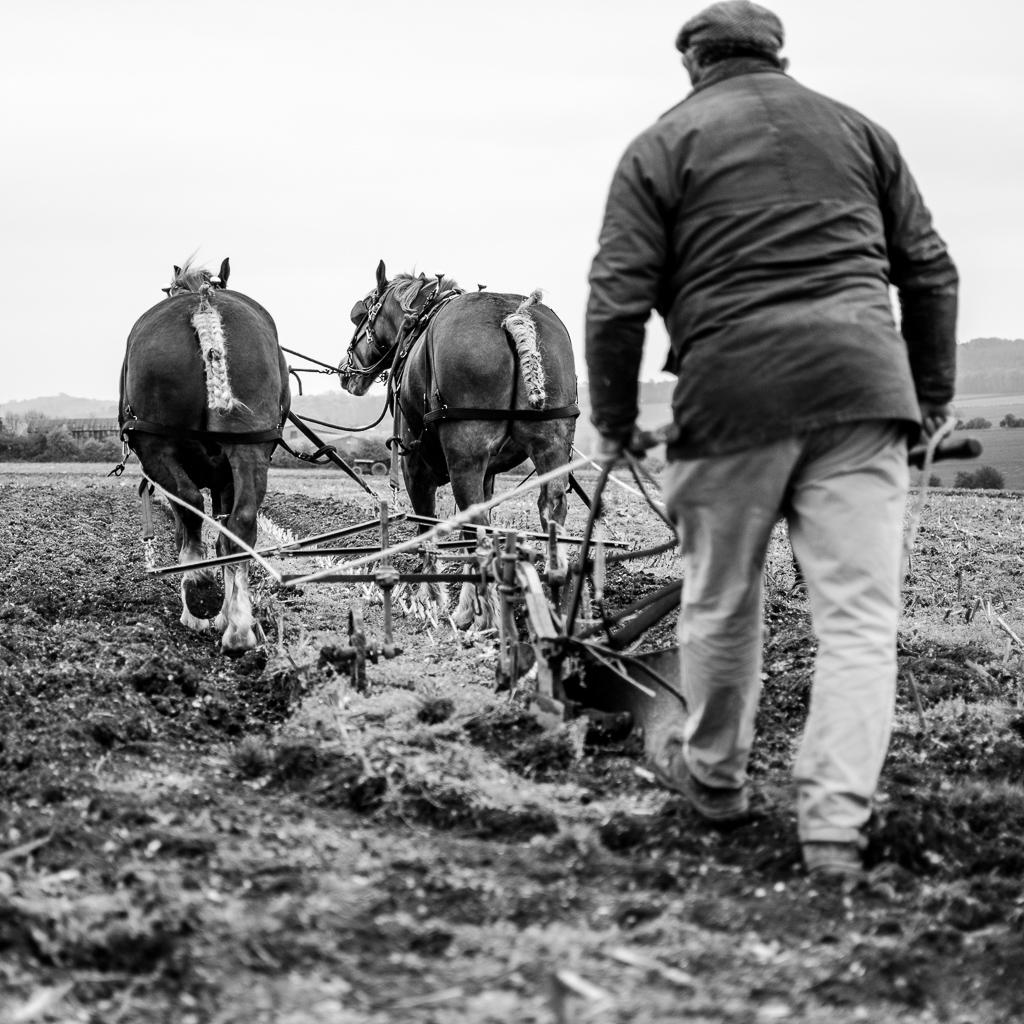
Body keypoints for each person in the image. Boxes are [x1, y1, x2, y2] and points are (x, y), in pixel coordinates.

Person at [584, 0, 957, 879]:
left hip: (731, 400)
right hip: (865, 395)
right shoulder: (861, 132)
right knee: (862, 623)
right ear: (779, 57)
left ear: (693, 65)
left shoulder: (660, 145)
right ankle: (833, 825)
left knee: (719, 600)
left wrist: (611, 424)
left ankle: (715, 782)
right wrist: (930, 397)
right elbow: (931, 268)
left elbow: (615, 298)